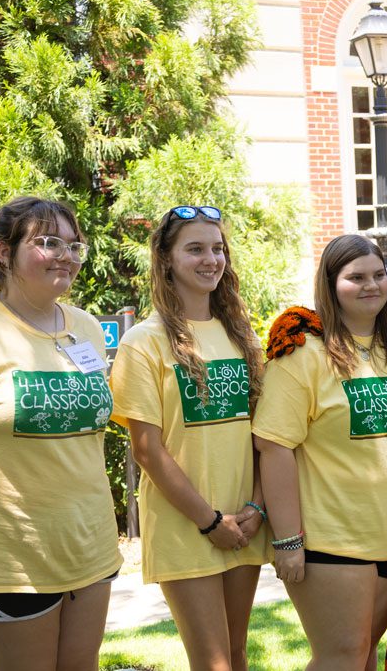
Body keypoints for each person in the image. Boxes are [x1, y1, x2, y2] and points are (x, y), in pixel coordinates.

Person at [0, 197, 122, 670]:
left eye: (75, 246)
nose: (66, 256)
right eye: (48, 242)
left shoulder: (88, 329)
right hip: (6, 555)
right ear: (3, 253)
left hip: (89, 544)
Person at [109, 205, 271, 671]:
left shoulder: (239, 335)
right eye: (195, 248)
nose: (211, 259)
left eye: (218, 249)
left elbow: (264, 434)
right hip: (187, 525)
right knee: (213, 661)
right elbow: (147, 450)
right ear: (165, 259)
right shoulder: (145, 341)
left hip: (243, 520)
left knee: (237, 655)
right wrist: (208, 521)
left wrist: (256, 508)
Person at [253, 234, 387, 671]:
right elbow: (273, 445)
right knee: (341, 657)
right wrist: (288, 540)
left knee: (365, 655)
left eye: (379, 275)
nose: (371, 286)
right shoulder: (303, 351)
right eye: (355, 277)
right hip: (330, 537)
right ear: (330, 284)